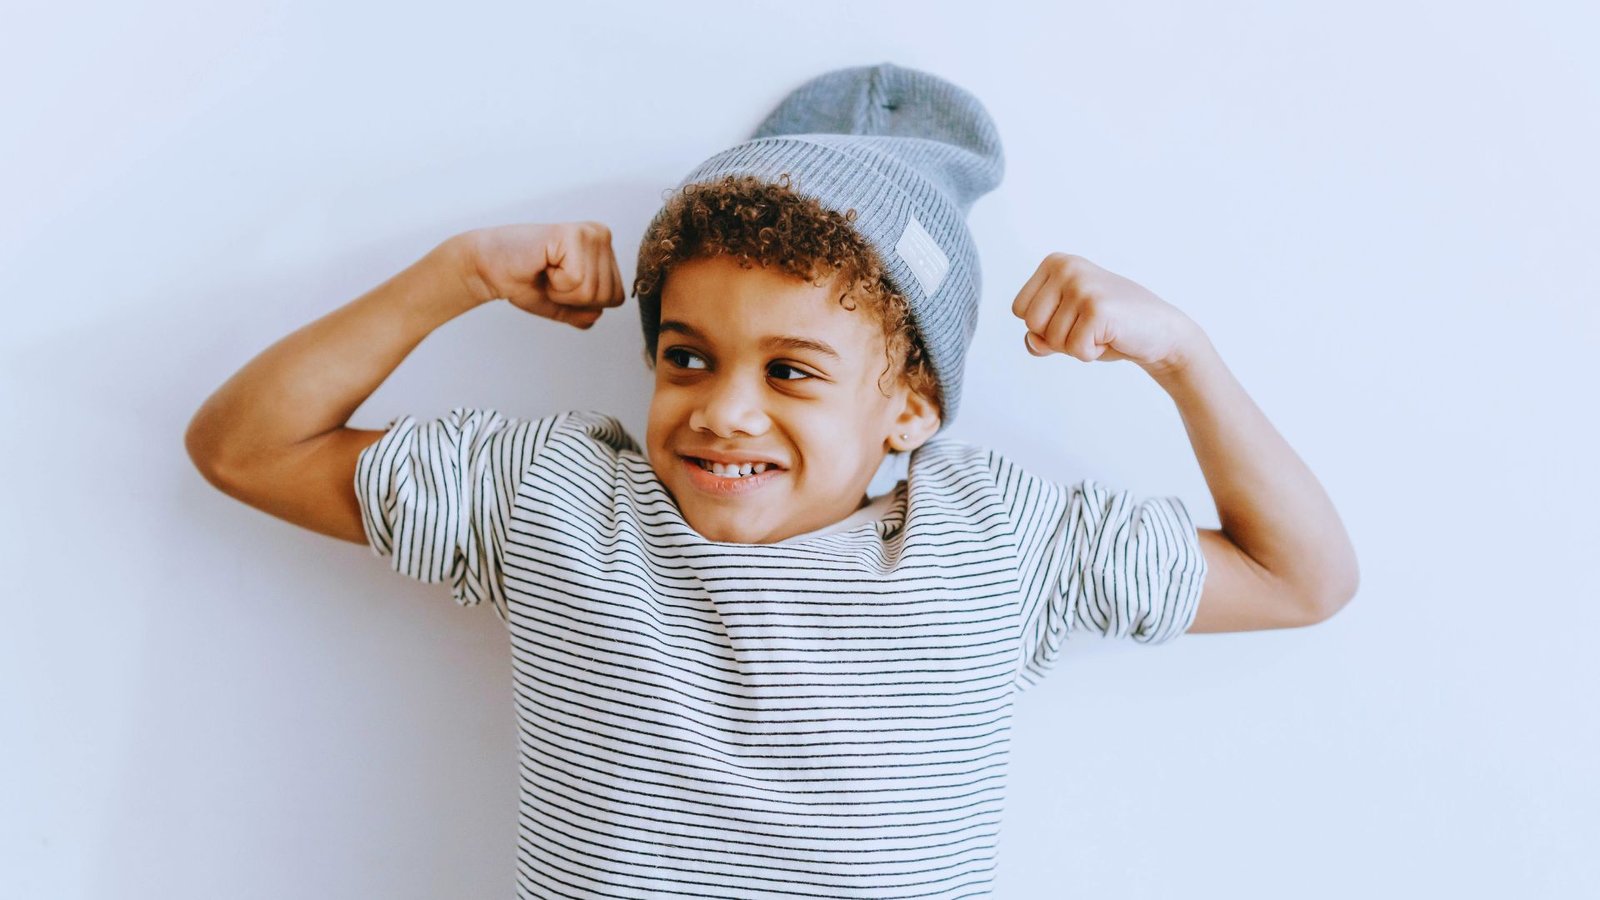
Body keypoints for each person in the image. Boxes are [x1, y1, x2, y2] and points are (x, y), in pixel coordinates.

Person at [186, 62, 1358, 899]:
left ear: (912, 406)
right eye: (685, 354)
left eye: (791, 370)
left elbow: (1302, 579)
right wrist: (454, 275)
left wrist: (1180, 355)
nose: (720, 408)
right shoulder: (555, 499)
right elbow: (244, 448)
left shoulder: (1000, 539)